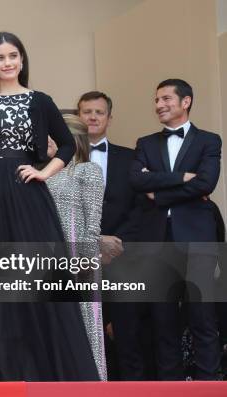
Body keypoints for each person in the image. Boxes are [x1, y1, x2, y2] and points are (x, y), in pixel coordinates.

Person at [0, 32, 98, 381]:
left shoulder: (40, 100)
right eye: (0, 57)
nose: (7, 63)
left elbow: (67, 145)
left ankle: (46, 369)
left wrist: (42, 172)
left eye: (13, 56)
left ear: (22, 59)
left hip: (27, 194)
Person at [129, 78, 221, 380]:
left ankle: (210, 390)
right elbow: (138, 182)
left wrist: (161, 192)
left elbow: (206, 183)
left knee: (203, 318)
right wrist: (183, 177)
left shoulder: (209, 140)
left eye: (166, 99)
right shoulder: (145, 143)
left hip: (198, 241)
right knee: (162, 320)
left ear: (186, 102)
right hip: (156, 242)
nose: (159, 105)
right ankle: (170, 391)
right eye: (156, 100)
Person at [77, 91, 142, 380]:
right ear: (78, 117)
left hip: (122, 257)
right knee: (84, 335)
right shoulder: (62, 161)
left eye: (99, 112)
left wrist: (115, 242)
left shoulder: (131, 158)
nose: (92, 117)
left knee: (129, 334)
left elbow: (141, 208)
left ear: (109, 118)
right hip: (79, 258)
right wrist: (93, 242)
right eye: (86, 111)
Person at [45, 114, 106, 380]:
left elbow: (93, 224)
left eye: (51, 136)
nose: (45, 141)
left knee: (85, 321)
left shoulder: (87, 170)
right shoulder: (44, 170)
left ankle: (93, 382)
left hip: (77, 256)